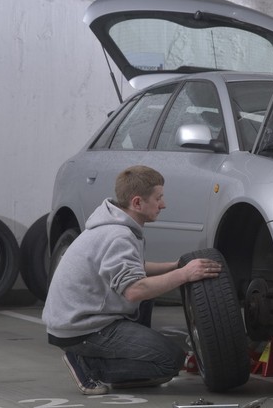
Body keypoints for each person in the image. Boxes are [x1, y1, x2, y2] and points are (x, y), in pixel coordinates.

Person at [42, 165, 221, 395]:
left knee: (150, 288)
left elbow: (133, 269)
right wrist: (185, 274)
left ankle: (119, 362)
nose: (163, 205)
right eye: (158, 198)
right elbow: (134, 290)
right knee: (170, 360)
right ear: (137, 203)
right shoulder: (118, 235)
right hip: (82, 329)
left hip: (78, 319)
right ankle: (87, 365)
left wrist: (174, 265)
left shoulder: (117, 225)